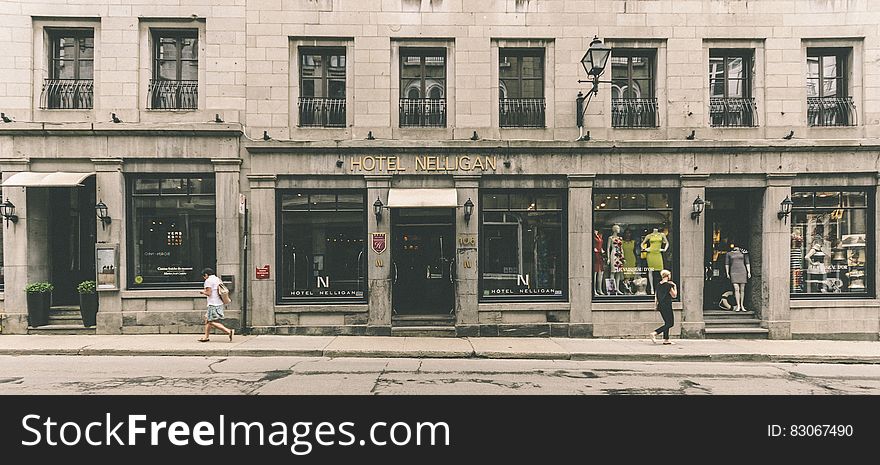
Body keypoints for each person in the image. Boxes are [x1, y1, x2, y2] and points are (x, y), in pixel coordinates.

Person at [198, 267, 234, 342]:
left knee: (210, 321)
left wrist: (202, 292)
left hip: (213, 303)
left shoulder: (208, 281)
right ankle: (206, 337)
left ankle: (228, 331)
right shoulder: (217, 279)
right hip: (219, 303)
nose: (204, 278)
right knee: (207, 319)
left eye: (204, 276)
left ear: (206, 274)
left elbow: (209, 293)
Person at [648, 269, 677, 345]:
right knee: (670, 323)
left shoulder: (658, 284)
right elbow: (674, 295)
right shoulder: (669, 285)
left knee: (666, 322)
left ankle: (666, 339)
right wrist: (675, 286)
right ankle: (655, 333)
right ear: (667, 276)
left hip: (660, 305)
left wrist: (656, 305)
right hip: (667, 305)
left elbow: (656, 296)